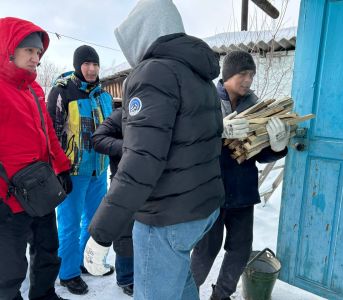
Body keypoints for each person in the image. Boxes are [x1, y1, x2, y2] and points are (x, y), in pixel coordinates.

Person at [82, 0, 225, 299]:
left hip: (166, 216)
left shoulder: (154, 73)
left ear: (143, 33)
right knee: (182, 284)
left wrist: (101, 232)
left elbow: (141, 161)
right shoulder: (200, 77)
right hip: (201, 207)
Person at [190, 50, 290, 300]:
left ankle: (221, 295)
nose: (248, 80)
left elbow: (260, 154)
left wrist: (277, 147)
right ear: (227, 76)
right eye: (242, 74)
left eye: (251, 75)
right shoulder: (206, 100)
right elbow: (189, 142)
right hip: (210, 191)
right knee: (206, 250)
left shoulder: (257, 107)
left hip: (242, 192)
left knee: (240, 250)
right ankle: (185, 293)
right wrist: (218, 131)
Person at [0, 17, 72, 300]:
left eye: (38, 52)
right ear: (8, 49)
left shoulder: (34, 89)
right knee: (8, 267)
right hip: (8, 197)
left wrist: (62, 169)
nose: (36, 57)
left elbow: (49, 135)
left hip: (40, 188)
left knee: (47, 249)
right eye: (29, 50)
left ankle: (44, 295)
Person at [46, 45, 113, 295]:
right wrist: (58, 170)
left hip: (99, 170)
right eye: (86, 64)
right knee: (70, 224)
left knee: (95, 222)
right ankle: (68, 273)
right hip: (72, 172)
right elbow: (50, 133)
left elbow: (114, 131)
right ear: (77, 66)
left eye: (95, 64)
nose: (92, 68)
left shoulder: (104, 96)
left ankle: (85, 262)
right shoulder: (63, 92)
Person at [92, 103, 134, 297]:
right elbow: (98, 139)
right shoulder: (120, 114)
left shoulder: (157, 112)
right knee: (124, 231)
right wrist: (125, 147)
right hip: (123, 181)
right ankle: (126, 277)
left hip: (151, 183)